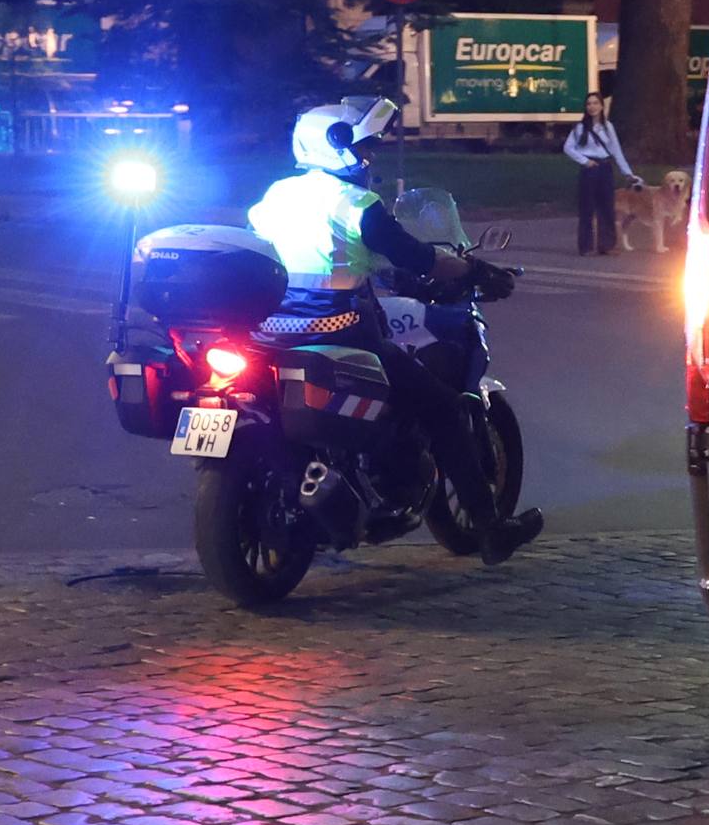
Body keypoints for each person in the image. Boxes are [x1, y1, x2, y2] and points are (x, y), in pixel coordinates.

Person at [247, 99, 545, 567]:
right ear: (339, 148)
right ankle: (490, 529)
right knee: (443, 407)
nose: (370, 159)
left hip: (271, 336)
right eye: (365, 149)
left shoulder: (275, 196)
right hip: (343, 333)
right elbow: (416, 256)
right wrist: (474, 268)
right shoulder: (355, 204)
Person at [564, 93, 641, 257]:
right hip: (589, 169)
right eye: (589, 104)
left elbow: (616, 151)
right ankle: (586, 246)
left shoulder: (608, 127)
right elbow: (568, 147)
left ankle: (607, 245)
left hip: (605, 168)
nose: (591, 107)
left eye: (595, 103)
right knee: (587, 208)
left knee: (607, 207)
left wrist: (627, 173)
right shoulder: (580, 128)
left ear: (601, 106)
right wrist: (584, 161)